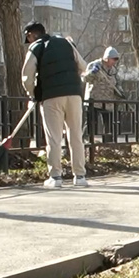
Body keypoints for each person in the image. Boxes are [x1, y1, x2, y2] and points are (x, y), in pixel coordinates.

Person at [21, 21, 88, 188]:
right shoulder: (66, 43)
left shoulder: (36, 47)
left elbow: (27, 77)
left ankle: (56, 177)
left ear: (31, 35)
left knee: (54, 137)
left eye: (27, 38)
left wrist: (33, 94)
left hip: (51, 97)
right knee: (76, 136)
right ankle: (80, 176)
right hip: (74, 95)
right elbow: (83, 66)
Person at [82, 46, 123, 137]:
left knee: (108, 126)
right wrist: (92, 72)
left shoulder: (113, 70)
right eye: (113, 59)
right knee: (91, 124)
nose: (115, 61)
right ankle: (87, 141)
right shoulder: (95, 65)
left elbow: (117, 83)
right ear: (106, 58)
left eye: (116, 59)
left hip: (108, 102)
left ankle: (107, 144)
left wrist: (120, 92)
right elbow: (85, 79)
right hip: (94, 101)